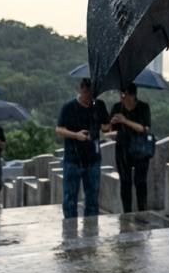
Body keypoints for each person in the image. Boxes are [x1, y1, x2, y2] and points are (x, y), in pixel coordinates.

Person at [55, 78, 112, 218]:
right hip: (73, 158)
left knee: (92, 198)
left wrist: (108, 123)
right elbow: (59, 129)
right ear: (80, 90)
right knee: (70, 197)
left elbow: (106, 128)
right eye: (85, 92)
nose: (88, 96)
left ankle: (91, 230)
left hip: (93, 158)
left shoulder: (99, 105)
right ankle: (70, 230)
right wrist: (76, 135)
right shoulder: (69, 107)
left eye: (91, 93)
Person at [110, 83, 152, 212]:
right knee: (125, 182)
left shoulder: (143, 107)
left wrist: (125, 121)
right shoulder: (117, 107)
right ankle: (127, 213)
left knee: (140, 182)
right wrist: (112, 123)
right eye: (121, 94)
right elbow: (109, 130)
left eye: (124, 94)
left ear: (132, 95)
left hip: (140, 149)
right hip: (122, 149)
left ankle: (142, 212)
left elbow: (144, 129)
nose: (122, 97)